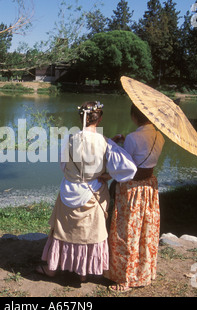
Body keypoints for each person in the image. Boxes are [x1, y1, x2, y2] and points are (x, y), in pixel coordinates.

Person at [36, 101, 137, 282]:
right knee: (88, 233)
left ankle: (52, 269)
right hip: (94, 192)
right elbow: (129, 169)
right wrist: (107, 175)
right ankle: (82, 272)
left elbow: (63, 165)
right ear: (100, 119)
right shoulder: (105, 143)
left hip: (69, 190)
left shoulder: (70, 139)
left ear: (80, 117)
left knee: (63, 231)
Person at [105, 104, 165, 292]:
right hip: (149, 187)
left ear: (133, 116)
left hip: (132, 189)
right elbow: (142, 158)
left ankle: (125, 278)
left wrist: (114, 145)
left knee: (126, 232)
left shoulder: (133, 137)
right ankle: (144, 272)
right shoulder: (160, 136)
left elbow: (126, 166)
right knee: (145, 231)